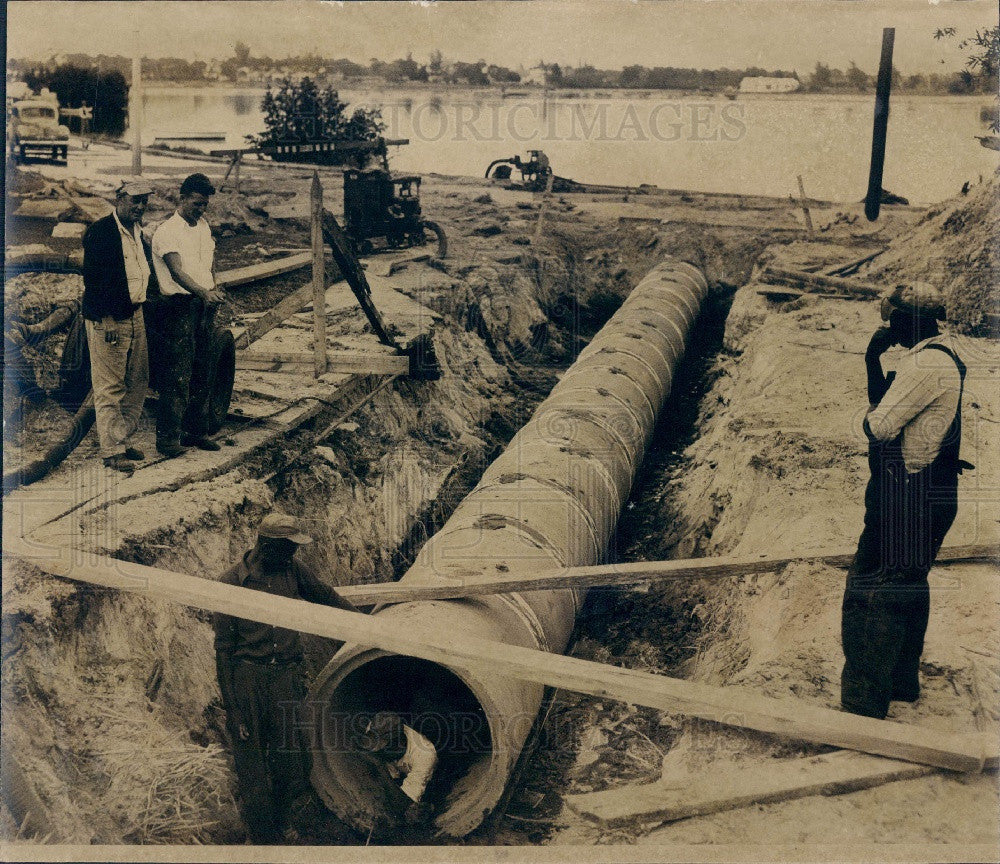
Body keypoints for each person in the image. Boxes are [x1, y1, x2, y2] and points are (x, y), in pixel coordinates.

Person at [841, 281, 972, 719]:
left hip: (907, 497)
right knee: (908, 584)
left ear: (906, 320)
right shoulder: (945, 358)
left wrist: (871, 367)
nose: (887, 322)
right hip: (931, 492)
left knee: (872, 586)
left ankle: (864, 701)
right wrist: (872, 361)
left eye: (893, 316)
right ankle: (901, 683)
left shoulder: (923, 368)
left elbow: (877, 427)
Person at [214, 511, 359, 844]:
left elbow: (327, 598)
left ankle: (283, 818)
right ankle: (263, 837)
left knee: (288, 757)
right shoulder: (231, 583)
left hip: (286, 679)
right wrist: (233, 709)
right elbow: (222, 650)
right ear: (266, 545)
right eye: (288, 547)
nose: (294, 554)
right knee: (251, 765)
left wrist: (367, 628)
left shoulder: (293, 571)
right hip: (248, 680)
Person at [150, 172, 225, 458]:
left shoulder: (203, 227)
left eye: (204, 204)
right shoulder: (168, 231)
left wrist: (212, 289)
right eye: (196, 203)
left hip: (202, 306)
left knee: (203, 370)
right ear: (181, 199)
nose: (201, 209)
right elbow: (177, 272)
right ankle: (168, 439)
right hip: (177, 308)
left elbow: (207, 265)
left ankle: (195, 432)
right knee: (178, 375)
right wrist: (204, 293)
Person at [81, 180, 154, 473]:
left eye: (143, 201)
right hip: (109, 318)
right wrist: (107, 317)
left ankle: (122, 440)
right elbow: (93, 279)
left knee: (136, 381)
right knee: (110, 386)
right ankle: (112, 452)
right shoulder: (101, 232)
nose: (139, 206)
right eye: (134, 200)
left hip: (135, 314)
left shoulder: (137, 231)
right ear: (119, 199)